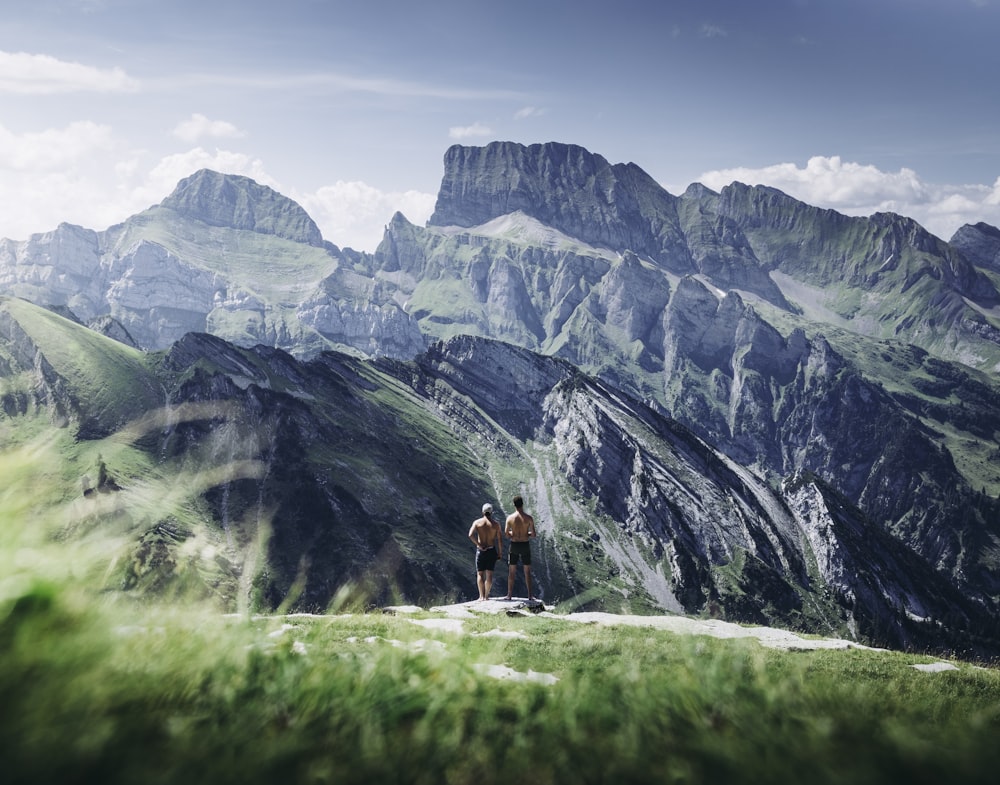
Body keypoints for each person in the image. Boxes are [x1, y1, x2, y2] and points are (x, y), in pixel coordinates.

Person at [504, 494, 537, 601]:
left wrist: (513, 533)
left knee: (512, 571)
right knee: (527, 571)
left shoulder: (510, 518)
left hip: (514, 545)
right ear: (522, 504)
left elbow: (506, 534)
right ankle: (530, 596)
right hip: (524, 545)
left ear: (514, 505)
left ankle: (509, 595)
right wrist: (525, 534)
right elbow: (533, 535)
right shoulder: (529, 518)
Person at [468, 503, 503, 601]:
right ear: (491, 512)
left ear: (483, 512)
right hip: (491, 550)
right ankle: (487, 596)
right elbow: (499, 540)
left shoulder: (477, 523)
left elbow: (470, 535)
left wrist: (479, 545)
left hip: (481, 551)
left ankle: (481, 596)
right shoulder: (496, 525)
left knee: (480, 574)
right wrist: (500, 553)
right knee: (489, 575)